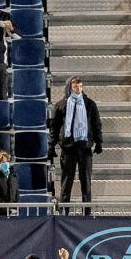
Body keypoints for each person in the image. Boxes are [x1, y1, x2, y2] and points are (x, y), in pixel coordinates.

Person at [49, 76, 103, 204]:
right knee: (66, 182)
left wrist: (99, 142)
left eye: (80, 86)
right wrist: (51, 145)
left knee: (86, 182)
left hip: (85, 148)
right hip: (68, 149)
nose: (78, 89)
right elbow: (54, 127)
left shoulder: (90, 104)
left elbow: (96, 124)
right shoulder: (61, 105)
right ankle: (64, 211)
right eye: (75, 87)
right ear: (69, 88)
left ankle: (87, 212)